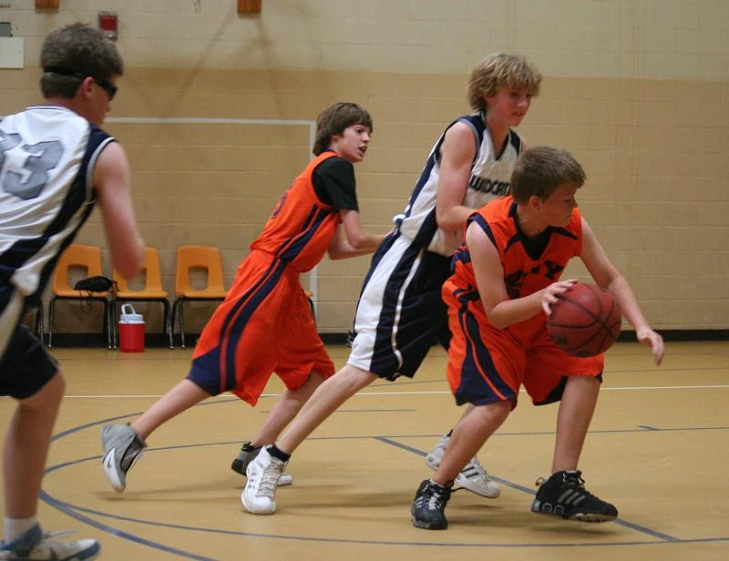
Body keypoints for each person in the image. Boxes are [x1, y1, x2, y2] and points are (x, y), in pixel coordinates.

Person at [241, 53, 542, 515]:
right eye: (513, 94)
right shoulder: (465, 134)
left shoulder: (514, 148)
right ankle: (270, 458)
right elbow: (447, 214)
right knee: (363, 368)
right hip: (415, 266)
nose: (522, 103)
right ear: (488, 93)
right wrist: (514, 221)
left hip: (459, 271)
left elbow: (488, 225)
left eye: (527, 95)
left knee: (495, 369)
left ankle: (453, 453)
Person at [100, 102, 386, 499]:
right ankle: (129, 434)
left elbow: (338, 248)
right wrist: (402, 238)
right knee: (219, 368)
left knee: (313, 377)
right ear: (336, 135)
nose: (367, 138)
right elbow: (357, 237)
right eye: (359, 130)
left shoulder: (326, 175)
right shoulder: (335, 166)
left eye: (369, 132)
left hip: (287, 284)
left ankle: (255, 454)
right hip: (267, 276)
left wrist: (389, 247)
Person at [409, 146, 665, 530]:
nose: (574, 204)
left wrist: (642, 325)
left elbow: (608, 277)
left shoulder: (573, 223)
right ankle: (436, 486)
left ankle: (561, 483)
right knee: (496, 403)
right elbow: (496, 311)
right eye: (567, 198)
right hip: (482, 315)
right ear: (535, 201)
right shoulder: (485, 231)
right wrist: (542, 297)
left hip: (538, 309)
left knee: (586, 365)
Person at [0, 23, 144, 560]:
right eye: (111, 93)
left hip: (8, 306)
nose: (110, 105)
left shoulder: (4, 126)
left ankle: (22, 539)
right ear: (89, 86)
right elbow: (129, 264)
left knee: (43, 391)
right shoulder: (100, 149)